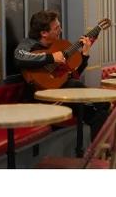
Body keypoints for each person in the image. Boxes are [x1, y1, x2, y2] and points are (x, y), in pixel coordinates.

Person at [14, 10, 108, 139]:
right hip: (42, 99)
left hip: (64, 95)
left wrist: (84, 56)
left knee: (98, 114)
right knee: (76, 86)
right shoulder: (28, 43)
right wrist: (51, 57)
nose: (61, 30)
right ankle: (102, 102)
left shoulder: (58, 46)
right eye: (57, 28)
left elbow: (71, 75)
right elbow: (19, 57)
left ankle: (99, 154)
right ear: (44, 33)